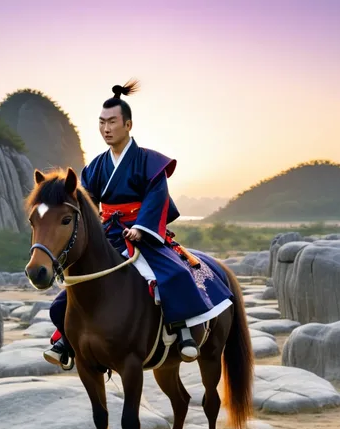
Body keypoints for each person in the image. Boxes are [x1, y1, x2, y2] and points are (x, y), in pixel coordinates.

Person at [43, 80, 233, 370]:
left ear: (128, 124)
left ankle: (184, 333)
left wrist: (142, 228)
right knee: (68, 295)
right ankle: (65, 340)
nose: (106, 129)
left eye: (112, 122)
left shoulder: (148, 161)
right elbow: (87, 206)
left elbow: (157, 197)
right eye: (101, 123)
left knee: (175, 275)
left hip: (143, 232)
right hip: (109, 234)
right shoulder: (95, 166)